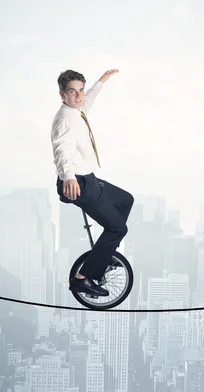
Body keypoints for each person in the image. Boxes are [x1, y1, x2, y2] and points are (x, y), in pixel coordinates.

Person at [51, 69, 134, 297]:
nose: (78, 96)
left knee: (126, 200)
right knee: (118, 228)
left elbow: (89, 100)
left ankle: (104, 256)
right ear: (62, 94)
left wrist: (101, 81)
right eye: (72, 92)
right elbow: (61, 150)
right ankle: (83, 278)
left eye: (81, 91)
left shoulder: (77, 110)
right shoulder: (64, 120)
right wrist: (68, 175)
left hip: (88, 179)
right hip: (78, 184)